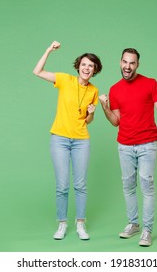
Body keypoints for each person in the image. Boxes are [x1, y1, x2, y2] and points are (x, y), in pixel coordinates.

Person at [98, 48, 157, 247]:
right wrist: (105, 107)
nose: (127, 66)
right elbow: (115, 121)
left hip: (147, 144)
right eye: (124, 62)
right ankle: (133, 224)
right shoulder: (115, 89)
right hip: (124, 146)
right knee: (128, 187)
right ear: (120, 62)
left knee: (147, 187)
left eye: (132, 63)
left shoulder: (151, 84)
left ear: (137, 65)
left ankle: (147, 230)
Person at [33, 41, 102, 241]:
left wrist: (91, 113)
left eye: (91, 65)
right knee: (62, 185)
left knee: (80, 185)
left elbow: (88, 121)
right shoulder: (65, 79)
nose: (87, 68)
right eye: (84, 64)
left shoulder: (94, 91)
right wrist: (48, 50)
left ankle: (81, 224)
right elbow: (37, 71)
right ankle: (62, 224)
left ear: (95, 70)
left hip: (81, 140)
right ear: (78, 66)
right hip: (60, 139)